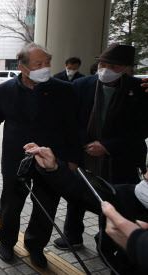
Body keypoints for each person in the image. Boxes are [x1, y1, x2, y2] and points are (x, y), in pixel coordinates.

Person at [54, 44, 148, 251]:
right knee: (77, 195)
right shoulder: (81, 85)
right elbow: (71, 120)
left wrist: (107, 146)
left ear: (128, 68)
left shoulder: (140, 90)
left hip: (120, 159)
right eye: (102, 64)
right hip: (85, 153)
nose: (105, 70)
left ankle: (106, 241)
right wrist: (84, 144)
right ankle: (72, 236)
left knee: (115, 200)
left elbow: (141, 131)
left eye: (113, 67)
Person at [0, 43, 79, 268]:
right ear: (23, 67)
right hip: (15, 158)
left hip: (51, 160)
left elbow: (73, 127)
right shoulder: (4, 90)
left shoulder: (64, 89)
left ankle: (36, 246)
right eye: (39, 64)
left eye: (48, 62)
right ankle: (7, 241)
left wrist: (71, 160)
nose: (45, 67)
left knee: (46, 205)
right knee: (11, 203)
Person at [24, 143, 148, 274]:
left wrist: (137, 242)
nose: (145, 176)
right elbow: (87, 195)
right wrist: (55, 169)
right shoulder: (132, 196)